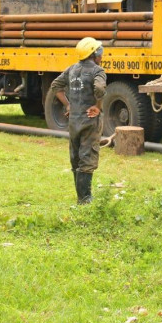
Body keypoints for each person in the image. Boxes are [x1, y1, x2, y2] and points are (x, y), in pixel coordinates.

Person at [50, 37, 107, 204]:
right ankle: (85, 199)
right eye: (100, 52)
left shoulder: (72, 69)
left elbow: (55, 85)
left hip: (74, 121)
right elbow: (99, 88)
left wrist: (68, 105)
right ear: (94, 54)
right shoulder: (98, 71)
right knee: (87, 158)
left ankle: (80, 196)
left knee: (76, 157)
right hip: (90, 121)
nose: (102, 55)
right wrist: (97, 106)